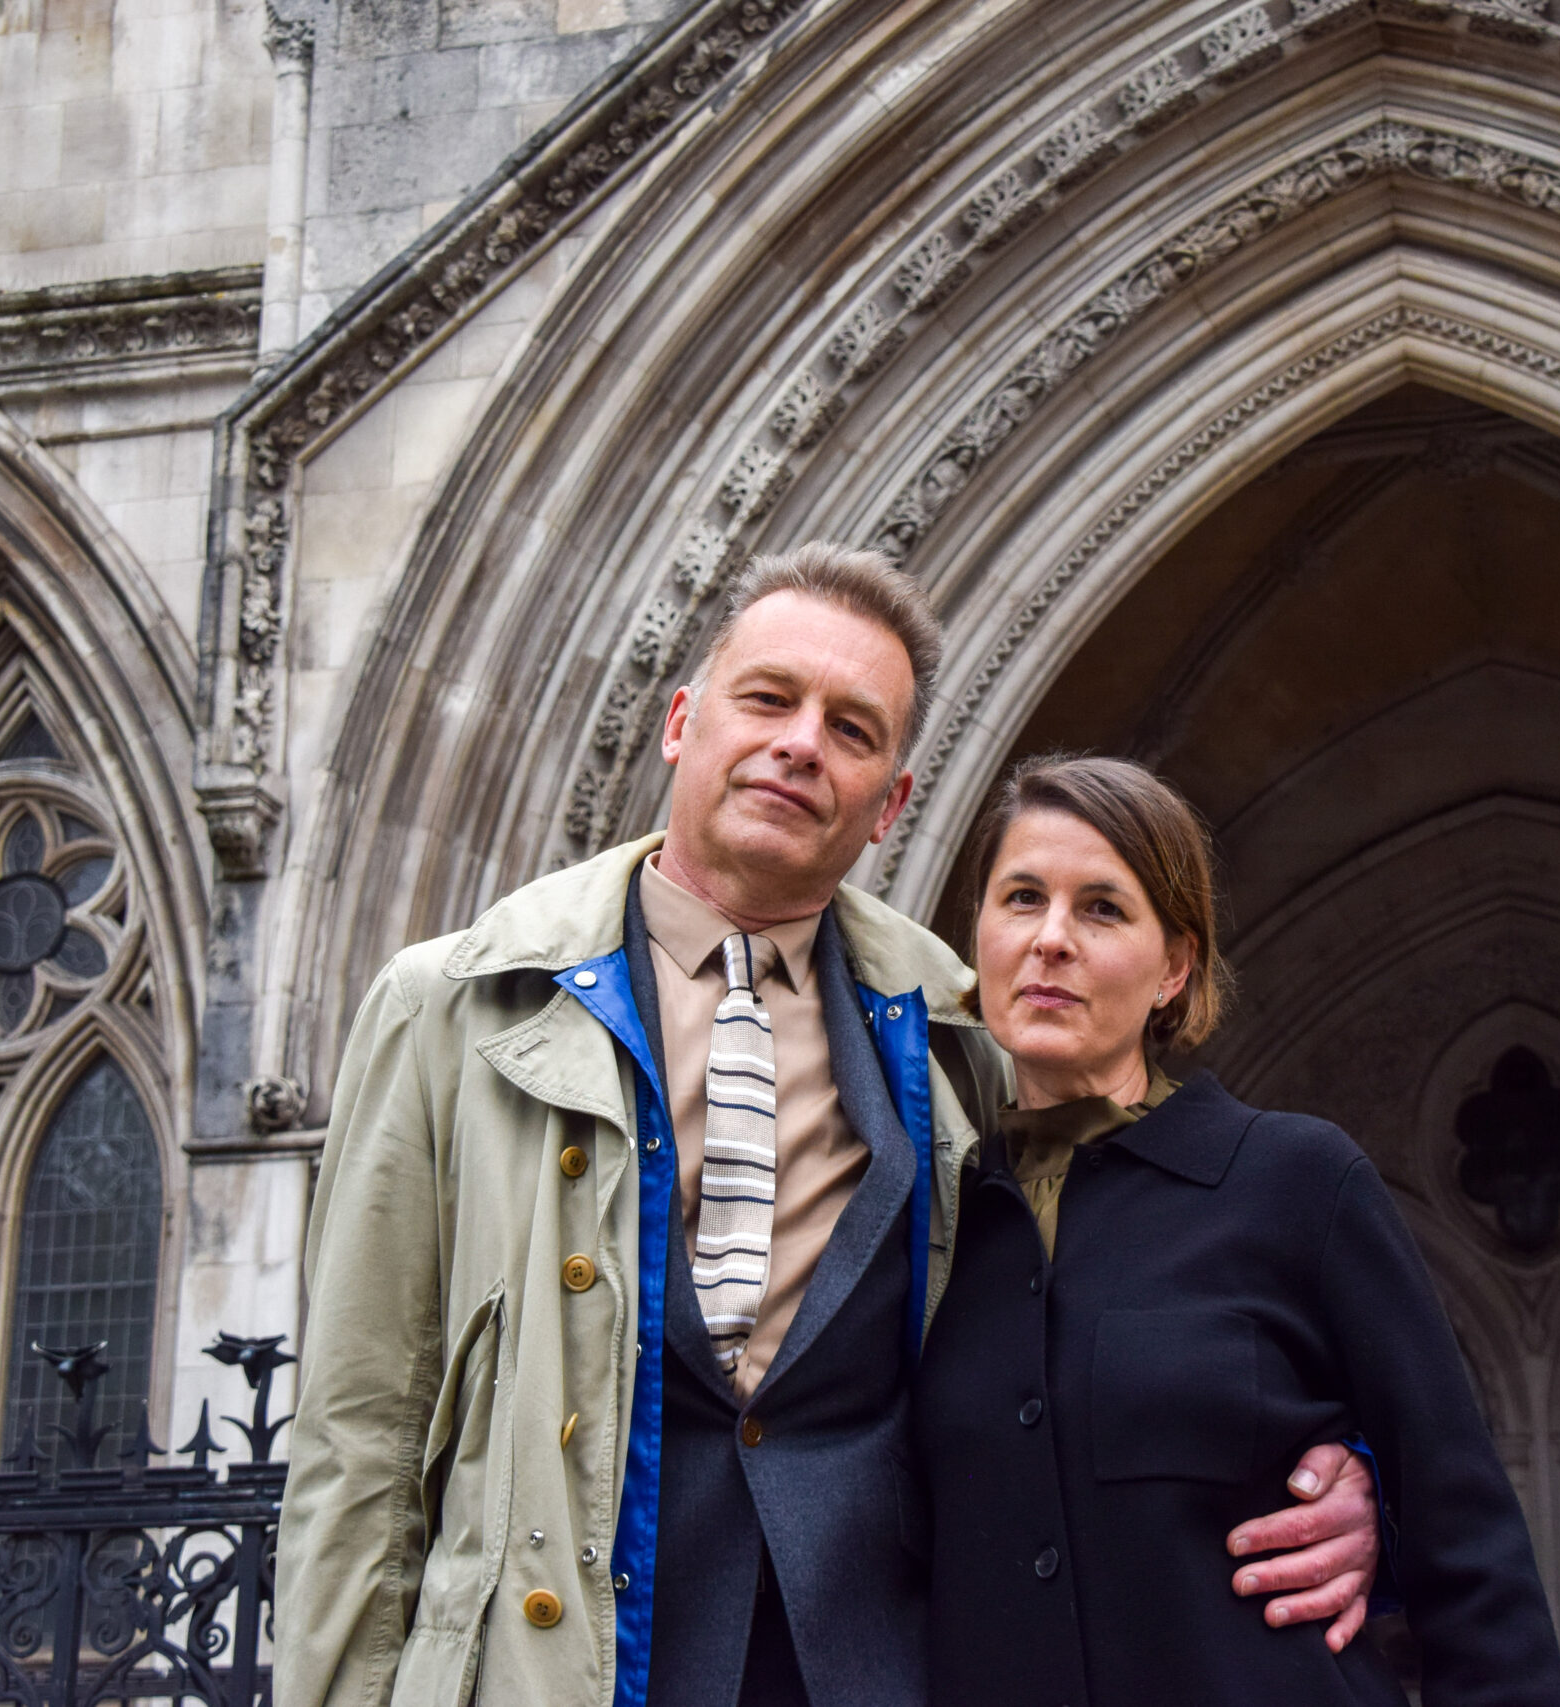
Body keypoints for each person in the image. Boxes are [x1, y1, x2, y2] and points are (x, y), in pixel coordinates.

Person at [279, 545, 1382, 1707]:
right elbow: (361, 1438)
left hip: (874, 1670)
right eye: (768, 699)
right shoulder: (451, 1008)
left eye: (853, 730)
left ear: (888, 808)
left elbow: (1139, 1306)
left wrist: (1344, 1480)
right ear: (680, 724)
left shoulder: (967, 1036)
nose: (802, 742)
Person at [916, 753, 1560, 1707]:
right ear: (978, 935)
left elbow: (1467, 1545)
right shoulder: (933, 1224)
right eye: (1022, 897)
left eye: (1102, 908)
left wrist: (1375, 1500)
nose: (1051, 938)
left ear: (1174, 968)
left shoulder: (1298, 1181)